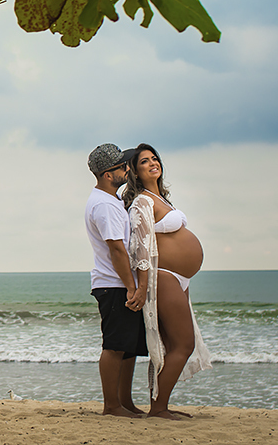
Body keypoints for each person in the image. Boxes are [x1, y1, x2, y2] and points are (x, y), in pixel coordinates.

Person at [123, 144, 211, 420]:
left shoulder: (160, 199)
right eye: (144, 162)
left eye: (154, 159)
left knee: (172, 346)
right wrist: (142, 288)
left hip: (178, 279)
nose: (153, 163)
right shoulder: (142, 202)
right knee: (184, 344)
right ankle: (158, 408)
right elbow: (140, 248)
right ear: (134, 172)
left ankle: (159, 405)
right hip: (163, 277)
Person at [84, 143, 147, 418]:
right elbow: (117, 249)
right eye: (122, 166)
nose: (127, 170)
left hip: (120, 282)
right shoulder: (104, 205)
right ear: (108, 175)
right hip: (114, 284)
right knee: (115, 346)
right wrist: (132, 287)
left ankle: (125, 402)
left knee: (128, 348)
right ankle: (111, 406)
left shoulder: (113, 201)